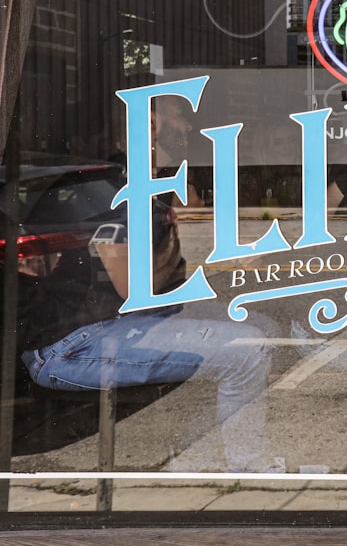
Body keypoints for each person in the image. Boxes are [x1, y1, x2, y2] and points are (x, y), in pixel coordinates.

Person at [20, 196, 276, 473]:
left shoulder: (151, 213)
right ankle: (247, 465)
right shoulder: (116, 218)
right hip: (71, 346)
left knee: (263, 328)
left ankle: (198, 452)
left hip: (121, 320)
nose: (205, 200)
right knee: (246, 352)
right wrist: (174, 245)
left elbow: (170, 283)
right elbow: (137, 291)